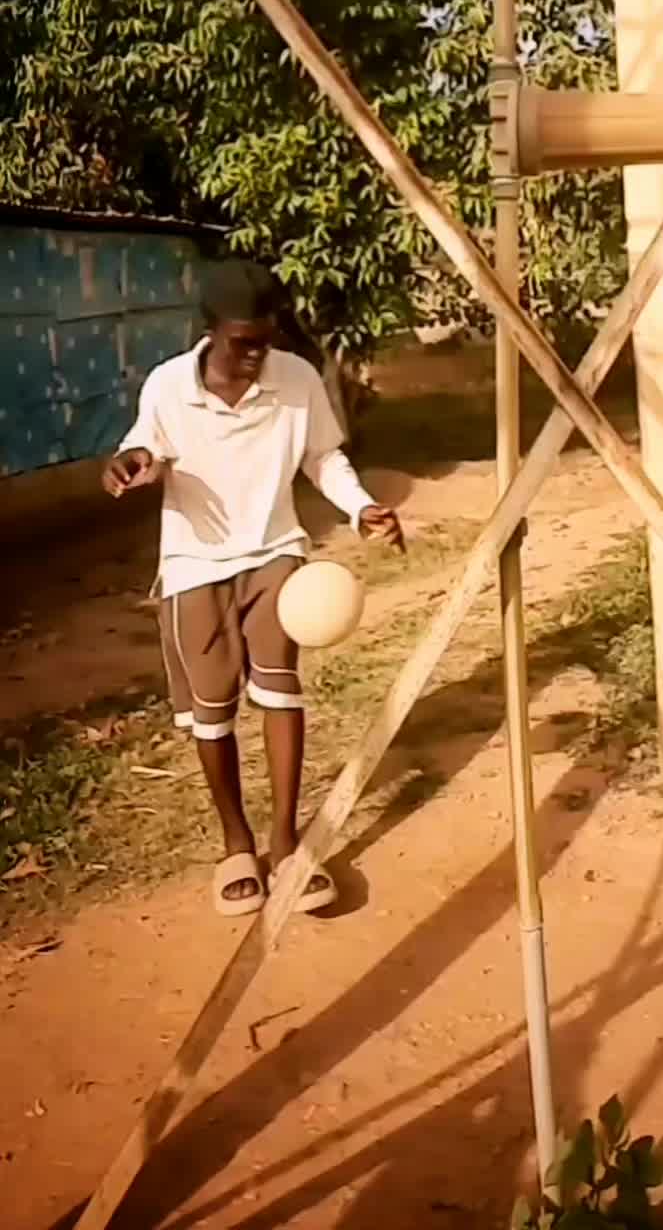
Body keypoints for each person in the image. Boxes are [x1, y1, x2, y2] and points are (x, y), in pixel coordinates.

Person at [103, 260, 402, 918]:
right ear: (210, 330)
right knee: (212, 714)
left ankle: (287, 844)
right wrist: (131, 465)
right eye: (243, 343)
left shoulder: (295, 379)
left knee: (280, 690)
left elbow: (322, 457)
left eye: (266, 341)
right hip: (194, 564)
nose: (255, 356)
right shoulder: (168, 387)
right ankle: (237, 845)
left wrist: (361, 507)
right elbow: (143, 449)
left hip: (275, 552)